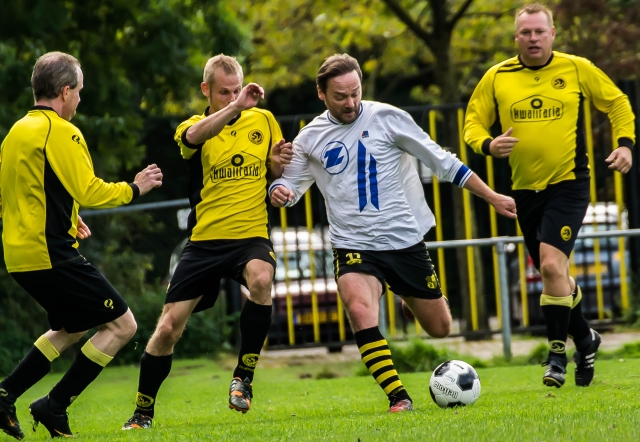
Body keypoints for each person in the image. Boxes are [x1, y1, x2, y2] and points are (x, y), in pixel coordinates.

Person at [270, 53, 517, 412]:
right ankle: (398, 397)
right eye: (341, 96)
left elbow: (443, 162)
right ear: (321, 93)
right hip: (352, 244)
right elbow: (287, 191)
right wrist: (277, 190)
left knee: (440, 328)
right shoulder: (309, 139)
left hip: (403, 241)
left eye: (355, 92)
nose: (351, 102)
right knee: (359, 309)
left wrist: (492, 196)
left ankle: (408, 299)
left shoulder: (388, 117)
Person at [464, 3, 635, 388]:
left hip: (569, 183)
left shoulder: (576, 68)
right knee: (552, 273)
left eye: (540, 31)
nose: (533, 38)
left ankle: (556, 354)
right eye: (526, 32)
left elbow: (617, 102)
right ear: (516, 38)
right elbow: (472, 123)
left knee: (552, 266)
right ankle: (587, 338)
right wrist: (488, 145)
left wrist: (624, 144)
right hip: (525, 189)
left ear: (553, 34)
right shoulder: (497, 77)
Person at [121, 54, 292, 430]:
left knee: (262, 281)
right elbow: (194, 138)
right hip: (204, 242)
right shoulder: (194, 125)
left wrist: (279, 166)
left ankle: (242, 379)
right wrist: (234, 108)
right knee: (167, 328)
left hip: (250, 235)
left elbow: (275, 170)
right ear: (206, 91)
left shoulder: (263, 119)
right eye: (223, 92)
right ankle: (142, 413)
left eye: (236, 90)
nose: (232, 96)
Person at [0, 51, 163, 440]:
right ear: (65, 90)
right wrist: (136, 186)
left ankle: (7, 395)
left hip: (20, 255)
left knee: (72, 327)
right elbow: (90, 188)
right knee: (124, 325)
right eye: (79, 92)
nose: (78, 101)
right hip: (51, 252)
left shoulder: (15, 132)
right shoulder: (61, 130)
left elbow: (15, 197)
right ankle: (53, 405)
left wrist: (67, 215)